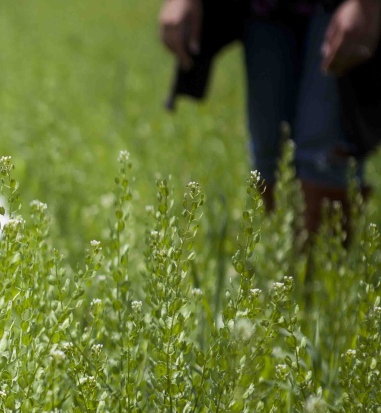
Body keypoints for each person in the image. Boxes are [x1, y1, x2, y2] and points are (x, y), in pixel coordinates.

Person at [160, 0, 381, 241]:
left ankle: (320, 273)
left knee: (324, 156)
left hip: (338, 7)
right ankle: (285, 265)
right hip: (264, 9)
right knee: (270, 153)